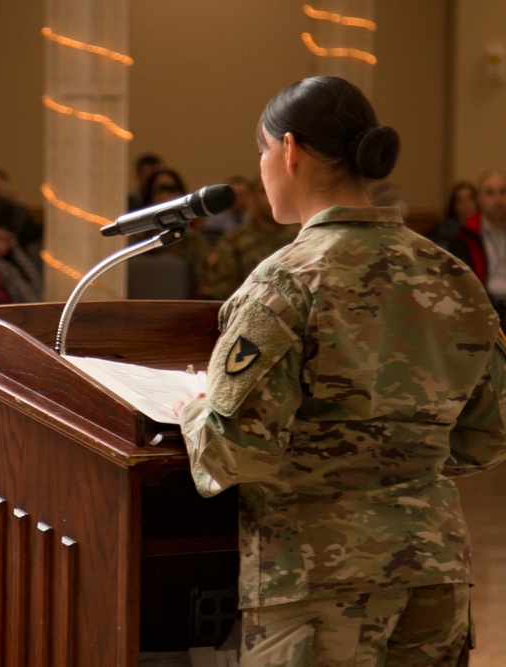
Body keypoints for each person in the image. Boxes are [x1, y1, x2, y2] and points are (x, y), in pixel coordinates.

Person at [174, 76, 506, 666]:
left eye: (262, 149)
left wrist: (196, 409)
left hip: (317, 579)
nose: (261, 164)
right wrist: (398, 453)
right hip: (433, 570)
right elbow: (491, 431)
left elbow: (237, 450)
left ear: (290, 149)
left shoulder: (286, 281)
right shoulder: (451, 274)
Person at [204, 175, 298, 300]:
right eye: (264, 192)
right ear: (252, 197)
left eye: (277, 190)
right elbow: (224, 289)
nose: (271, 197)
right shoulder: (235, 239)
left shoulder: (300, 235)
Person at [137, 168, 213, 298]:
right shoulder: (136, 240)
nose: (170, 196)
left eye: (174, 189)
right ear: (151, 197)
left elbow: (207, 285)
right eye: (164, 189)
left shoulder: (194, 241)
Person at [449, 170, 506, 321]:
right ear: (479, 200)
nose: (498, 199)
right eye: (490, 193)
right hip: (483, 311)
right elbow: (463, 287)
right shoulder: (464, 237)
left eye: (503, 192)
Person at [201, 175, 255, 239]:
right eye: (233, 194)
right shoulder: (215, 219)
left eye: (241, 194)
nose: (237, 198)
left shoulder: (255, 217)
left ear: (251, 195)